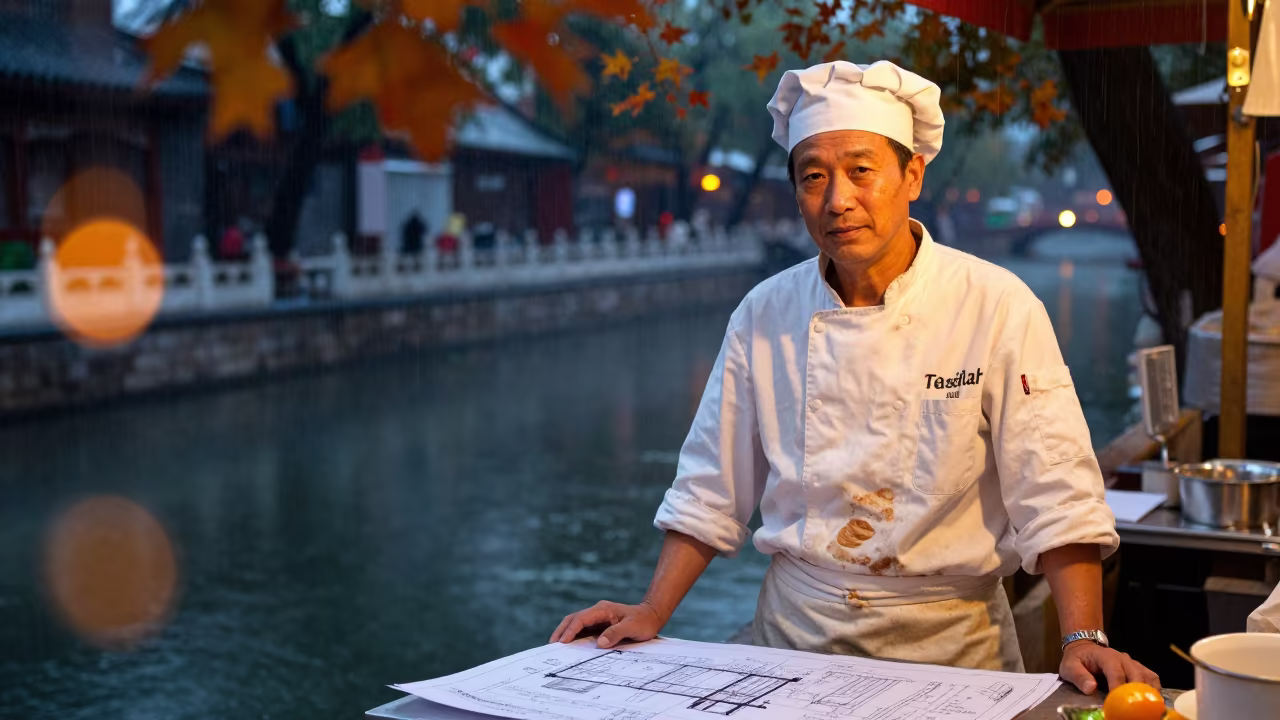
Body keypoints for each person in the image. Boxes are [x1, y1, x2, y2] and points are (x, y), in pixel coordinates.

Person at [550, 60, 1159, 695]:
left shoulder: (996, 304)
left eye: (861, 171)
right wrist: (651, 610)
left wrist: (1082, 636)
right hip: (792, 645)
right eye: (814, 177)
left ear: (912, 174)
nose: (838, 199)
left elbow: (1054, 486)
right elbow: (711, 485)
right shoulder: (765, 313)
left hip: (950, 647)